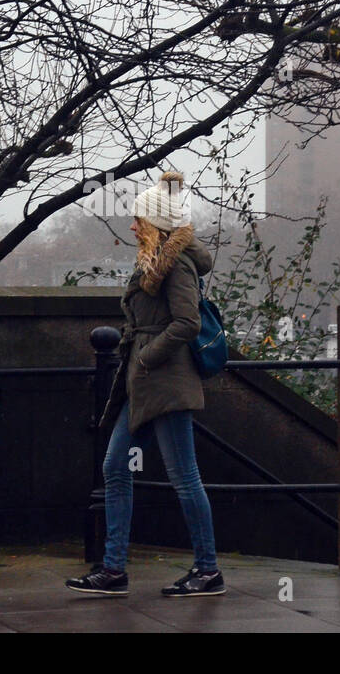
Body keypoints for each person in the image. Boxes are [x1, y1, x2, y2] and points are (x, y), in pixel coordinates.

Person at [66, 170, 224, 597]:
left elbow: (187, 323)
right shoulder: (154, 261)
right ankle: (114, 569)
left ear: (156, 223)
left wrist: (148, 359)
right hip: (145, 383)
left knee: (184, 477)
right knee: (115, 466)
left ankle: (208, 569)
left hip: (166, 384)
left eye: (139, 219)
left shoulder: (176, 267)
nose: (132, 226)